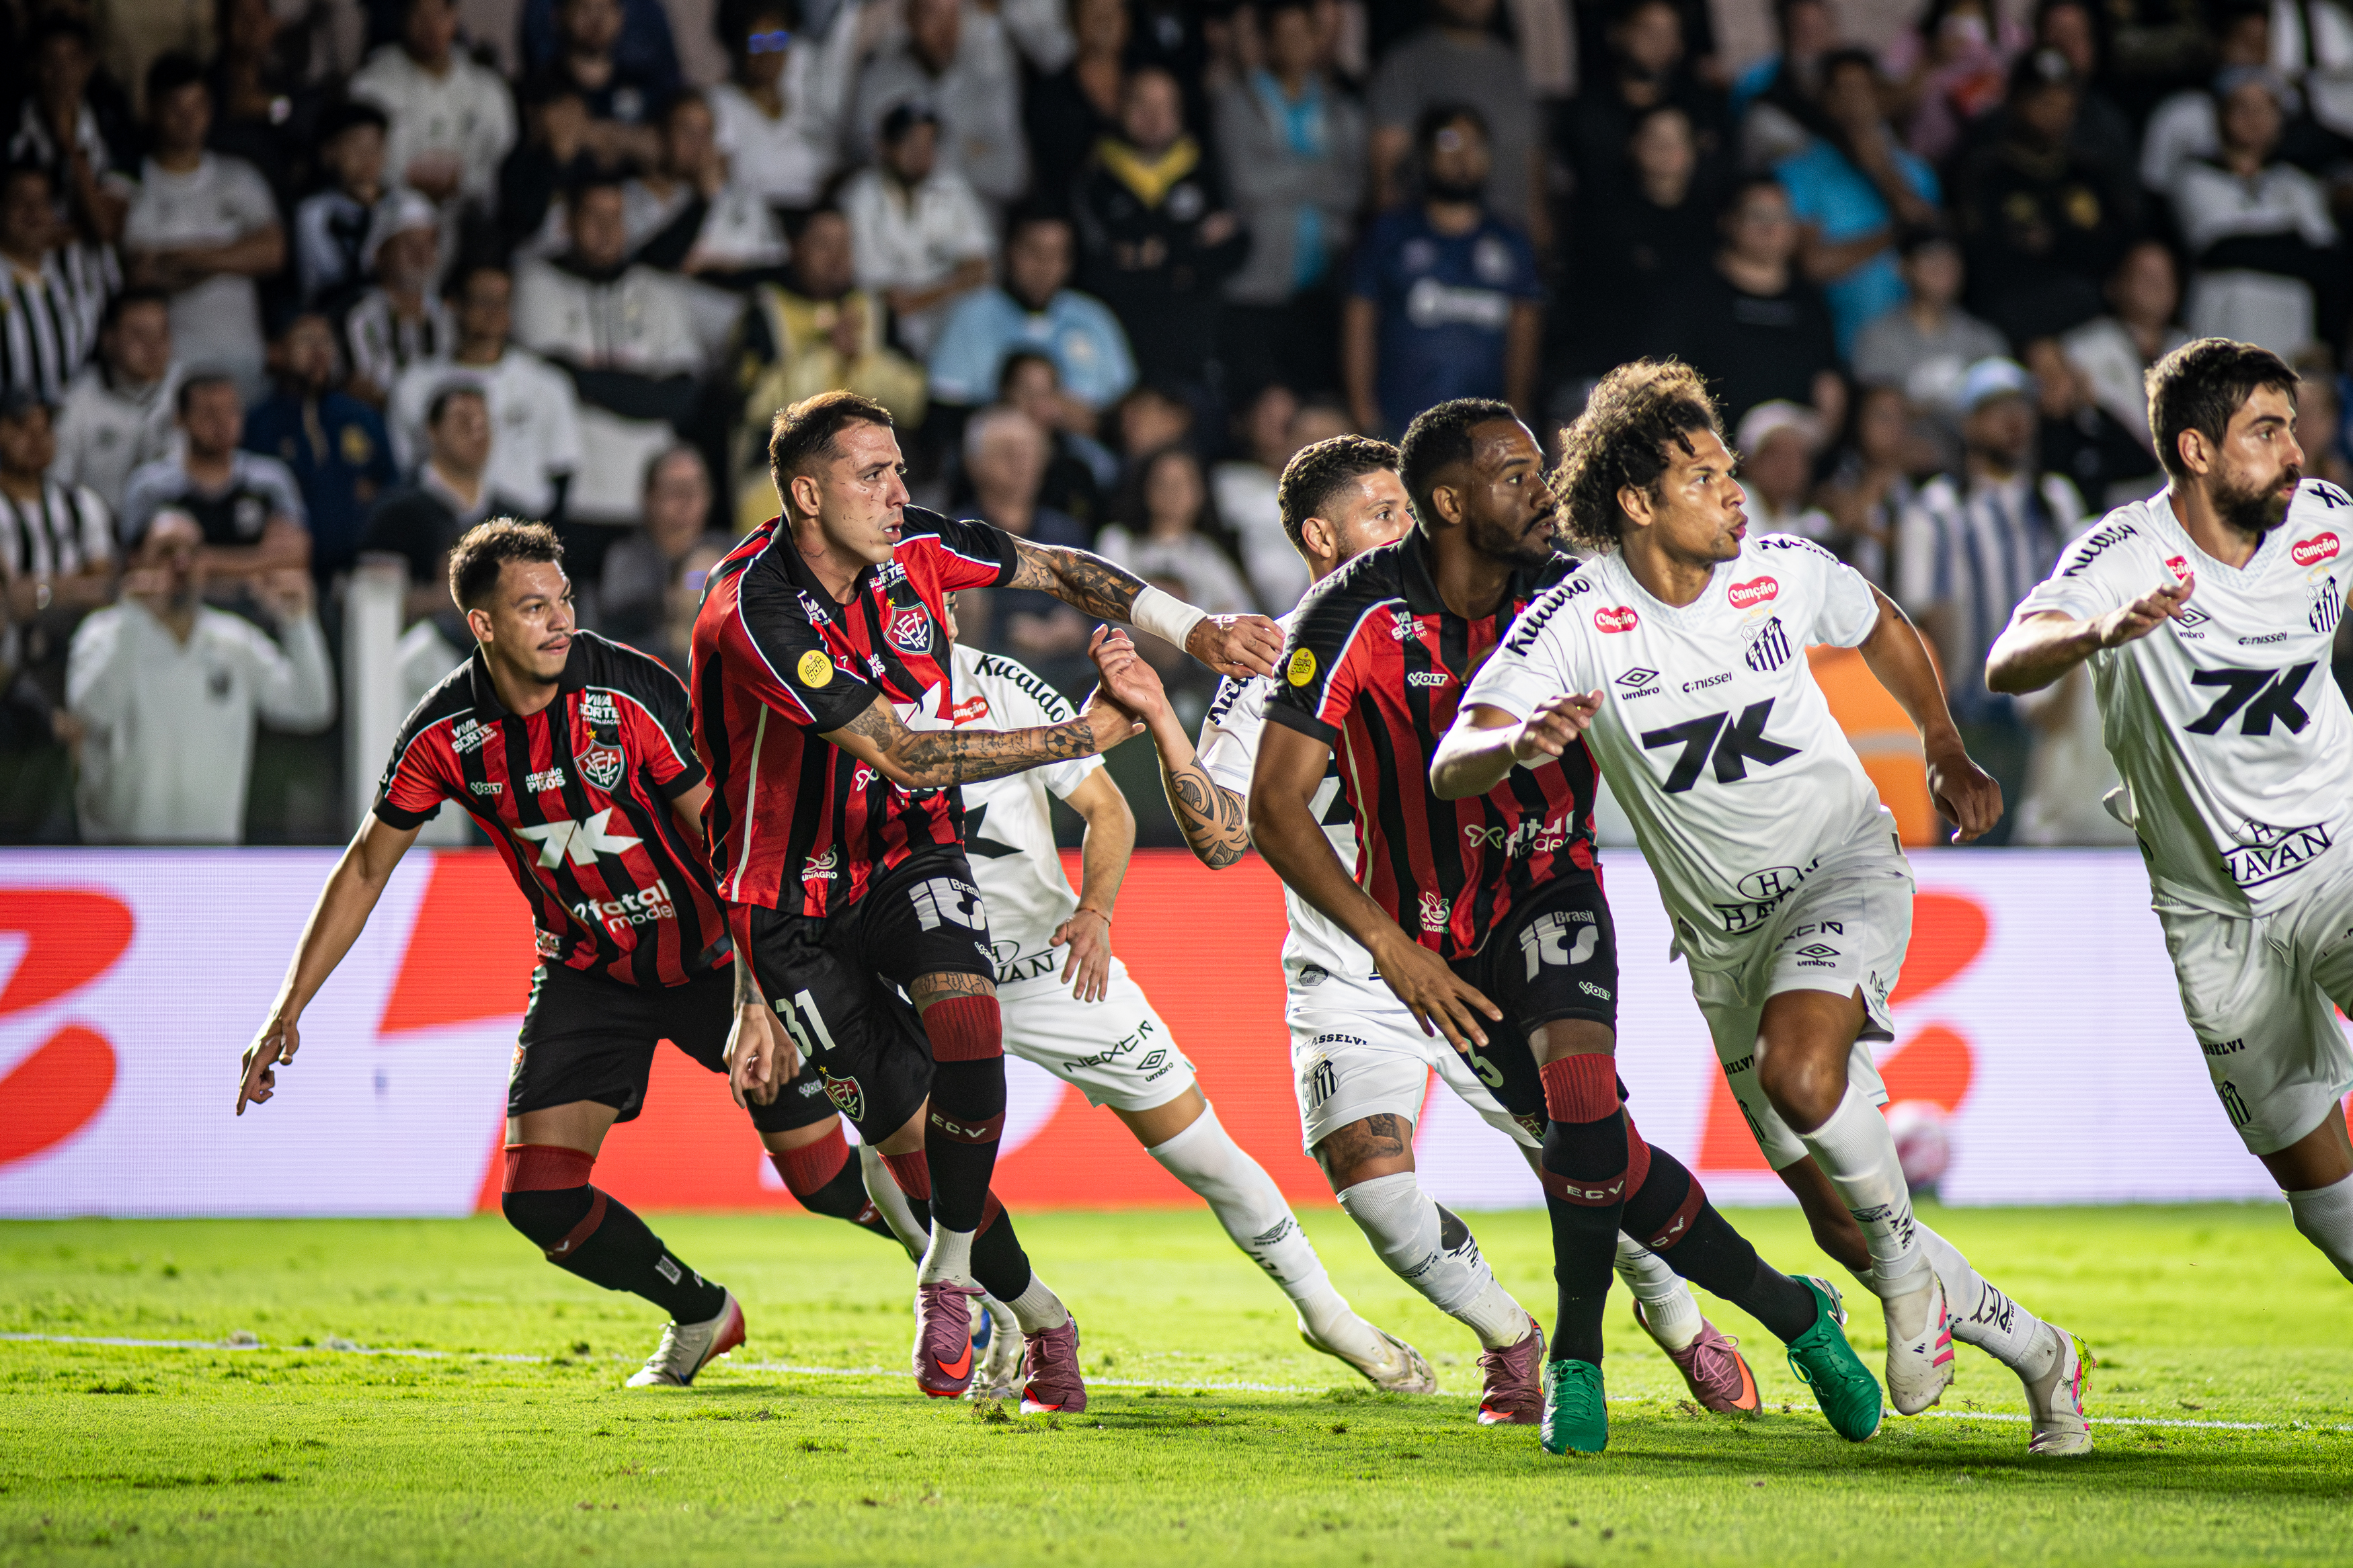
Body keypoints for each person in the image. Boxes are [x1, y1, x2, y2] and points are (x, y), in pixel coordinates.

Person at [1123, 425, 1868, 1446]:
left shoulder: (1541, 594)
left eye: (1404, 501)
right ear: (1315, 535)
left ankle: (1671, 1319)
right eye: (1379, 510)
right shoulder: (1296, 647)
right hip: (1361, 956)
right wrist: (1164, 724)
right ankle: (1515, 1338)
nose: (1403, 523)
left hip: (1526, 897)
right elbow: (1229, 835)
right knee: (1391, 1188)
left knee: (1584, 1130)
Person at [1431, 360, 2092, 1458]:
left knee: (1802, 1071)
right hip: (1724, 944)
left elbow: (1878, 620)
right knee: (1837, 1226)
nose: (1736, 494)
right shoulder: (1580, 617)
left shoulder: (1779, 569)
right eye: (1704, 476)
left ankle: (1913, 1290)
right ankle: (2037, 1350)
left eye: (1732, 470)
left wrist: (1940, 744)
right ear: (1637, 502)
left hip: (1843, 868)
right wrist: (1515, 740)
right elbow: (1459, 753)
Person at [696, 388, 1283, 1408]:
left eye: (900, 469)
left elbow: (1058, 566)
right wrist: (1085, 738)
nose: (899, 493)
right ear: (802, 492)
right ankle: (1044, 1313)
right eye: (871, 475)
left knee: (968, 1021)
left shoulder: (917, 547)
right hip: (788, 898)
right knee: (905, 1143)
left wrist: (1196, 631)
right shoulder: (755, 608)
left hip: (901, 851)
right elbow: (907, 751)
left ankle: (946, 1269)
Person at [234, 518, 865, 1389]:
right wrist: (287, 1006)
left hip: (720, 957)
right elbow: (368, 863)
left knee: (825, 1179)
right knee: (540, 1199)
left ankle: (982, 1290)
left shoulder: (629, 691)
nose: (559, 620)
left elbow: (729, 839)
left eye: (564, 600)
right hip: (586, 968)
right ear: (483, 626)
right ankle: (699, 1312)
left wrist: (759, 988)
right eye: (533, 607)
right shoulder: (445, 733)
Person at [934, 591, 1435, 1395]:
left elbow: (1107, 808)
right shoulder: (835, 702)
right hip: (920, 977)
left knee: (1208, 1157)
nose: (935, 613)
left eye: (941, 599)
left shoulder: (999, 683)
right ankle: (1017, 1312)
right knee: (895, 1160)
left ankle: (1328, 1316)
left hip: (1048, 967)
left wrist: (1094, 911)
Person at [1985, 337, 2353, 1290]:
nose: (2296, 451)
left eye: (2294, 426)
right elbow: (2009, 656)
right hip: (2214, 911)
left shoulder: (2325, 522)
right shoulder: (2125, 555)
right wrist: (2100, 631)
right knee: (2320, 1189)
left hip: (2337, 855)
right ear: (2197, 451)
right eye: (2266, 431)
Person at [1896, 356, 2089, 821]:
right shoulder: (1936, 511)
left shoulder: (2057, 502)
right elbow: (1925, 619)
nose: (2015, 421)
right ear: (1969, 424)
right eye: (1997, 410)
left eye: (2022, 407)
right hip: (1969, 715)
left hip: (2046, 715)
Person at [67, 508, 331, 843]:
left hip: (212, 863)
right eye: (165, 552)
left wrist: (298, 624)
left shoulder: (234, 642)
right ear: (136, 562)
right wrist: (132, 618)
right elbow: (91, 713)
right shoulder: (104, 634)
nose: (181, 563)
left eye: (192, 553)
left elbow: (311, 707)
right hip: (123, 862)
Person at [1343, 106, 1541, 438]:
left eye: (1476, 145)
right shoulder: (1389, 233)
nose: (1463, 157)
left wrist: (1515, 414)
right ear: (1425, 153)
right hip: (1398, 425)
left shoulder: (1512, 242)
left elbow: (1525, 331)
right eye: (1449, 142)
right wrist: (1363, 411)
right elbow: (1359, 320)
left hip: (1482, 434)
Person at [730, 207, 927, 528]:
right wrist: (826, 354)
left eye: (844, 246)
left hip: (869, 478)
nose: (837, 258)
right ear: (796, 248)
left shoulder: (874, 310)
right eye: (823, 245)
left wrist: (859, 361)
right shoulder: (765, 310)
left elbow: (916, 400)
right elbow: (751, 406)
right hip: (779, 479)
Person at [1211, 0, 1365, 400]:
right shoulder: (1235, 101)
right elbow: (1246, 185)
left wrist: (1280, 174)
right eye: (1284, 36)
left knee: (1315, 411)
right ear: (1267, 42)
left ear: (1319, 39)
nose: (1295, 45)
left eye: (1303, 35)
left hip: (1324, 284)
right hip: (1256, 285)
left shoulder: (1343, 110)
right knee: (1258, 405)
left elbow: (1352, 191)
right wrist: (1318, 173)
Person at [1069, 67, 1246, 396]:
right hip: (1122, 343)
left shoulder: (1207, 170)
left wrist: (1146, 254)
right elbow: (1094, 264)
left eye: (1164, 106)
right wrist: (1191, 246)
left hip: (1195, 342)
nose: (1153, 116)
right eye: (1142, 104)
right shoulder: (1095, 176)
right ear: (1122, 108)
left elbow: (1236, 248)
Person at [122, 53, 284, 403]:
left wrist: (190, 258)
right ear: (151, 109)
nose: (188, 117)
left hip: (244, 362)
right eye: (175, 106)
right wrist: (236, 253)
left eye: (198, 105)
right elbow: (145, 275)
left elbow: (273, 253)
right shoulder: (134, 186)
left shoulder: (240, 177)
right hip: (173, 373)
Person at [512, 177, 729, 431]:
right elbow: (544, 377)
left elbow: (682, 396)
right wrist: (643, 385)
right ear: (568, 222)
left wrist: (584, 379)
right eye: (593, 215)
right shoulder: (536, 281)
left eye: (615, 216)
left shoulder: (659, 289)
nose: (606, 228)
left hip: (651, 460)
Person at [1953, 48, 2134, 347]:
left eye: (2065, 104)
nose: (2055, 114)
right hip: (2014, 326)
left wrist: (2056, 242)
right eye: (2043, 102)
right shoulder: (1984, 174)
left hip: (2093, 325)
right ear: (2016, 103)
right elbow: (1985, 258)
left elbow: (2117, 242)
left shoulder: (2088, 173)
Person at [1774, 49, 1940, 357]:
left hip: (1916, 347)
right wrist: (1895, 234)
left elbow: (1930, 241)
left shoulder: (1915, 172)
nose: (1857, 101)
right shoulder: (1797, 172)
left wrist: (1880, 167)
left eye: (1866, 89)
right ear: (1826, 100)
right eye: (1845, 90)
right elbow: (1813, 264)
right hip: (1837, 345)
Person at [389, 265, 584, 525]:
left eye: (503, 301)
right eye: (482, 300)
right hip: (440, 531)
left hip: (522, 531)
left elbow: (562, 473)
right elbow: (404, 468)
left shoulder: (547, 382)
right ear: (453, 305)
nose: (494, 311)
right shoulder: (415, 383)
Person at [2170, 68, 2342, 359]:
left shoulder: (2297, 183)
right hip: (2219, 336)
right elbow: (2219, 248)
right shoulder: (2194, 176)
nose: (2254, 118)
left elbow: (2327, 262)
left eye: (2265, 108)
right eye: (2242, 107)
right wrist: (2293, 240)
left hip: (2290, 337)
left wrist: (2252, 243)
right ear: (2222, 114)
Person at [1658, 177, 1842, 436]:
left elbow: (1828, 387)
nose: (1770, 227)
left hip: (1792, 456)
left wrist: (1808, 449)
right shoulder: (1691, 293)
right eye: (1758, 215)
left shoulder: (1810, 302)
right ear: (1729, 221)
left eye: (1781, 216)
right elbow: (1665, 380)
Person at [1369, 0, 1544, 245]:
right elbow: (1387, 173)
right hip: (1431, 249)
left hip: (1508, 249)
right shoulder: (1407, 63)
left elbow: (1531, 162)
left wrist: (1540, 234)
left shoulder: (1512, 68)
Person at [928, 210, 1135, 417]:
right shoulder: (971, 315)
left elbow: (1125, 406)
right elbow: (943, 411)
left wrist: (1079, 417)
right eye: (1033, 253)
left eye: (1056, 255)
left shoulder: (1093, 316)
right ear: (1008, 252)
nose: (1044, 267)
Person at [244, 312, 401, 583]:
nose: (318, 352)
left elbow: (391, 487)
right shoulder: (258, 424)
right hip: (284, 575)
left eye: (326, 342)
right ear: (277, 352)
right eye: (306, 342)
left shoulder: (361, 417)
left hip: (357, 573)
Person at [361, 382, 533, 626]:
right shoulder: (394, 513)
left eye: (483, 422)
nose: (475, 429)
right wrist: (448, 598)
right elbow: (374, 604)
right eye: (462, 420)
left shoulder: (516, 520)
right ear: (432, 430)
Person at [1568, 102, 1718, 376]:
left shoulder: (1714, 223)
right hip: (1610, 375)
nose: (1664, 149)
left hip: (1689, 375)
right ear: (1634, 145)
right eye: (1655, 138)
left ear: (1694, 149)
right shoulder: (1601, 218)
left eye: (1675, 140)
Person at [839, 102, 994, 361]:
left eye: (929, 144)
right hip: (888, 326)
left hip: (948, 315)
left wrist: (929, 297)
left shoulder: (952, 187)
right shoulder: (859, 197)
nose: (921, 154)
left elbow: (980, 268)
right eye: (911, 144)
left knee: (984, 307)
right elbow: (886, 298)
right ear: (884, 146)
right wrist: (953, 285)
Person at [120, 374, 311, 583]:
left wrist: (207, 562)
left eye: (231, 411)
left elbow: (295, 558)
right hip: (177, 606)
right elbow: (137, 563)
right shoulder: (150, 486)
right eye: (209, 413)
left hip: (258, 606)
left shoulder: (270, 478)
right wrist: (256, 563)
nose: (222, 423)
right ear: (179, 419)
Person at [957, 403, 1091, 694]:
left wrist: (1072, 624)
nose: (1020, 463)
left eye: (1029, 452)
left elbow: (1091, 602)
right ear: (974, 463)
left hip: (1069, 675)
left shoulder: (1067, 531)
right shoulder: (956, 534)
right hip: (985, 676)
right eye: (1006, 452)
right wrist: (1010, 629)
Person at [349, 0, 518, 224]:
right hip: (392, 220)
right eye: (420, 15)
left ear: (455, 15)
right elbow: (359, 166)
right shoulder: (371, 86)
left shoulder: (487, 87)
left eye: (440, 13)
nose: (431, 26)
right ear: (403, 18)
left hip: (471, 220)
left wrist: (464, 180)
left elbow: (504, 156)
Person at [850, 0, 1027, 210]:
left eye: (953, 15)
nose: (945, 29)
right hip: (898, 224)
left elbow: (1013, 176)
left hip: (972, 227)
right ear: (909, 19)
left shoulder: (986, 76)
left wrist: (926, 152)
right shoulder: (879, 77)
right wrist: (970, 151)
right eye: (931, 14)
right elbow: (871, 166)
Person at [1849, 232, 2009, 440]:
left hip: (1972, 461)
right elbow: (1878, 422)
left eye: (1950, 258)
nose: (1943, 268)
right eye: (1930, 258)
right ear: (1905, 267)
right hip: (1905, 459)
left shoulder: (1985, 340)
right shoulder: (1877, 338)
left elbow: (2005, 415)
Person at [623, 90, 786, 276]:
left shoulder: (743, 201)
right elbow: (649, 267)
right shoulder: (627, 199)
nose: (697, 143)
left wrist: (710, 269)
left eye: (705, 133)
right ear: (662, 133)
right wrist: (703, 202)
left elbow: (773, 265)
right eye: (686, 130)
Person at [703, 0, 843, 212]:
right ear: (738, 45)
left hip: (812, 223)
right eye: (757, 41)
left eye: (778, 39)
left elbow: (831, 170)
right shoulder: (719, 104)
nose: (769, 52)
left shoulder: (806, 102)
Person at [54, 288, 179, 517]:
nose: (153, 347)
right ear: (108, 339)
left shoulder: (188, 390)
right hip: (101, 534)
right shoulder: (76, 403)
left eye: (162, 334)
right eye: (139, 335)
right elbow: (58, 485)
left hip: (180, 531)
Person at [2061, 241, 2190, 457]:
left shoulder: (2196, 352)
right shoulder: (2083, 349)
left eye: (2164, 276)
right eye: (2145, 276)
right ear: (2116, 285)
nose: (2157, 285)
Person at [598, 444, 723, 649]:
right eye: (674, 489)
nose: (687, 499)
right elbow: (623, 621)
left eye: (696, 487)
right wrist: (692, 583)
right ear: (649, 498)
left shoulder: (735, 547)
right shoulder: (627, 557)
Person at [345, 190, 456, 407]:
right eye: (409, 245)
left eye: (429, 244)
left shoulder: (447, 317)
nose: (422, 255)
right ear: (379, 254)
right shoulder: (355, 316)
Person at [1023, 0, 1127, 215]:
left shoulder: (1148, 80)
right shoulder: (1050, 95)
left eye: (1112, 13)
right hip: (1077, 217)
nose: (1104, 22)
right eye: (1094, 14)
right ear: (1073, 22)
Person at [293, 99, 393, 311]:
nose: (367, 156)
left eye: (375, 146)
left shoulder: (404, 206)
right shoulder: (313, 212)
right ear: (328, 153)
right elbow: (321, 277)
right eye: (355, 145)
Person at [1734, 401, 1835, 543]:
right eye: (1777, 455)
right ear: (1750, 463)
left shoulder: (1804, 521)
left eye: (1797, 457)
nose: (1788, 468)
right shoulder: (1732, 505)